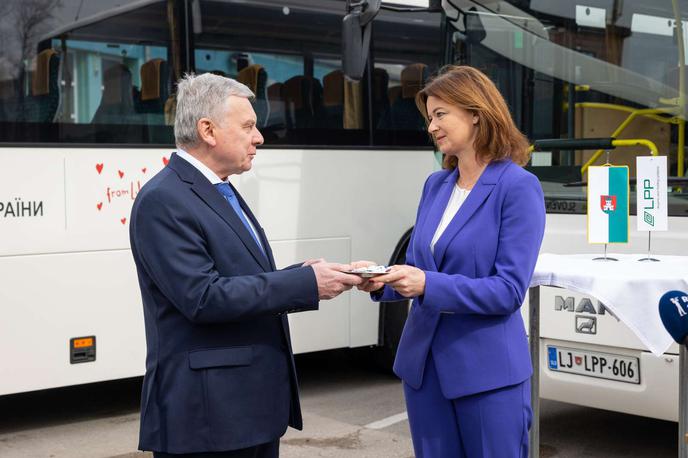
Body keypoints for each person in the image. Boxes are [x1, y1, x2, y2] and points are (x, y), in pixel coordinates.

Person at [129, 73, 361, 458]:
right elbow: (202, 297)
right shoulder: (164, 200)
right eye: (248, 126)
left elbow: (237, 279)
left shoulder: (218, 188)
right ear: (208, 130)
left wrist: (306, 275)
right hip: (209, 421)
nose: (259, 138)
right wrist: (303, 284)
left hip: (243, 413)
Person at [355, 65, 546, 457]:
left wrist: (425, 284)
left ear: (476, 112)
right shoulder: (436, 184)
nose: (431, 127)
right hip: (423, 370)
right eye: (429, 118)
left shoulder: (518, 187)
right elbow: (421, 263)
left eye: (441, 114)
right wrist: (382, 279)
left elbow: (508, 291)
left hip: (486, 373)